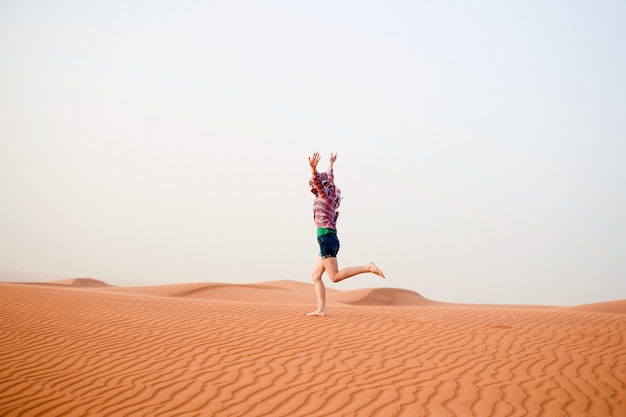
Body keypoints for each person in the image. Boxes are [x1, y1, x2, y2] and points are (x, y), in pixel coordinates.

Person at [306, 152, 385, 317]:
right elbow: (329, 178)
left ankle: (368, 267)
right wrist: (330, 164)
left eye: (312, 184)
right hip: (327, 238)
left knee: (334, 276)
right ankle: (321, 309)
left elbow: (320, 183)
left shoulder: (324, 194)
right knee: (315, 275)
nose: (311, 187)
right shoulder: (330, 193)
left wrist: (313, 170)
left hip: (326, 237)